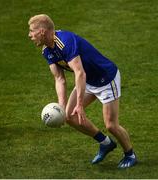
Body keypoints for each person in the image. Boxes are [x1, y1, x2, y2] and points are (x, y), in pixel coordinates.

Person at [28, 14, 137, 169]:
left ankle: (130, 154)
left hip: (106, 79)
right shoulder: (47, 50)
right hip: (88, 82)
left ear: (42, 31)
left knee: (111, 125)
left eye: (32, 31)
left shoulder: (65, 42)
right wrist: (61, 107)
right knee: (69, 116)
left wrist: (79, 104)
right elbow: (60, 79)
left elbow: (80, 73)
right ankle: (105, 143)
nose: (29, 35)